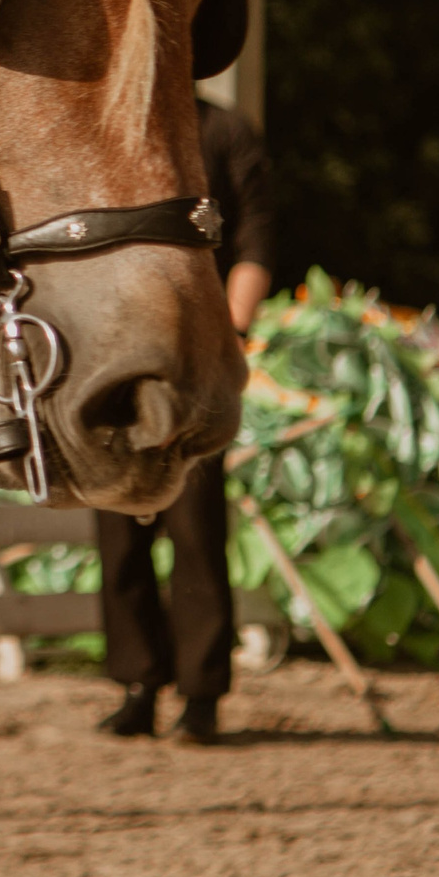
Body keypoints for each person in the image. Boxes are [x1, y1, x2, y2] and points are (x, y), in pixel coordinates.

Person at [94, 98, 274, 744]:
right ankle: (138, 685)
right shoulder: (106, 122)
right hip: (113, 348)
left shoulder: (224, 133)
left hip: (195, 353)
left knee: (196, 531)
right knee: (119, 529)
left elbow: (254, 241)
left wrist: (231, 333)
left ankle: (201, 697)